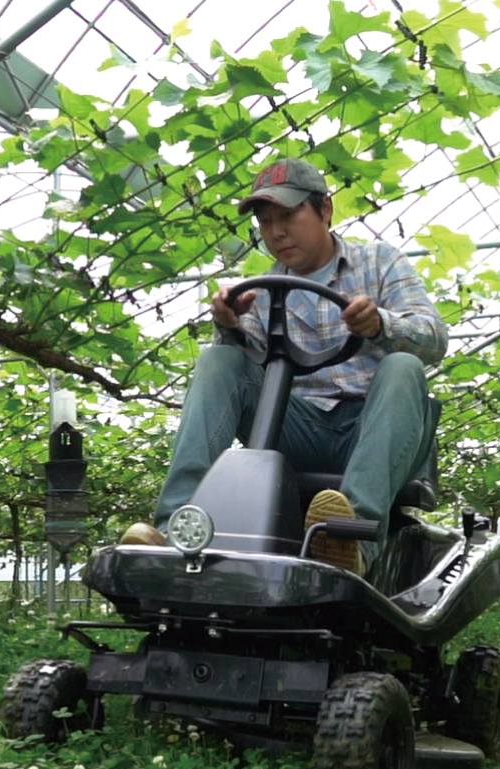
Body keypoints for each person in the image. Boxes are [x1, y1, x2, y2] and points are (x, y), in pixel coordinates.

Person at [121, 157, 448, 573]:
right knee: (218, 358)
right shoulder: (262, 292)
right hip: (300, 432)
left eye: (289, 216)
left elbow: (434, 338)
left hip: (372, 430)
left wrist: (381, 323)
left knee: (403, 365)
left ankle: (352, 542)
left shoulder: (380, 262)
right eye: (265, 221)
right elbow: (246, 371)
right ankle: (177, 529)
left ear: (325, 210)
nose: (276, 232)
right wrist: (229, 324)